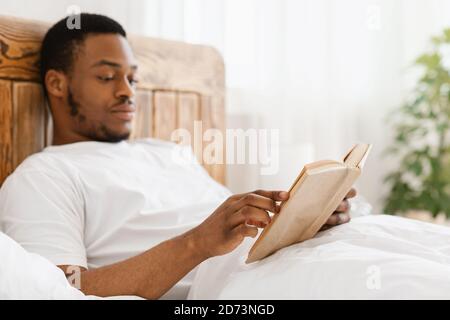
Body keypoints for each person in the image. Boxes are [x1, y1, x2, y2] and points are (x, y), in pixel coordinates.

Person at [0, 13, 356, 299]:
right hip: (252, 285)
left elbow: (232, 230)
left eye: (133, 79)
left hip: (298, 258)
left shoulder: (169, 153)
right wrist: (197, 243)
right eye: (107, 76)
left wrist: (301, 219)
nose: (127, 92)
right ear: (57, 84)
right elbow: (63, 288)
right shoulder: (44, 175)